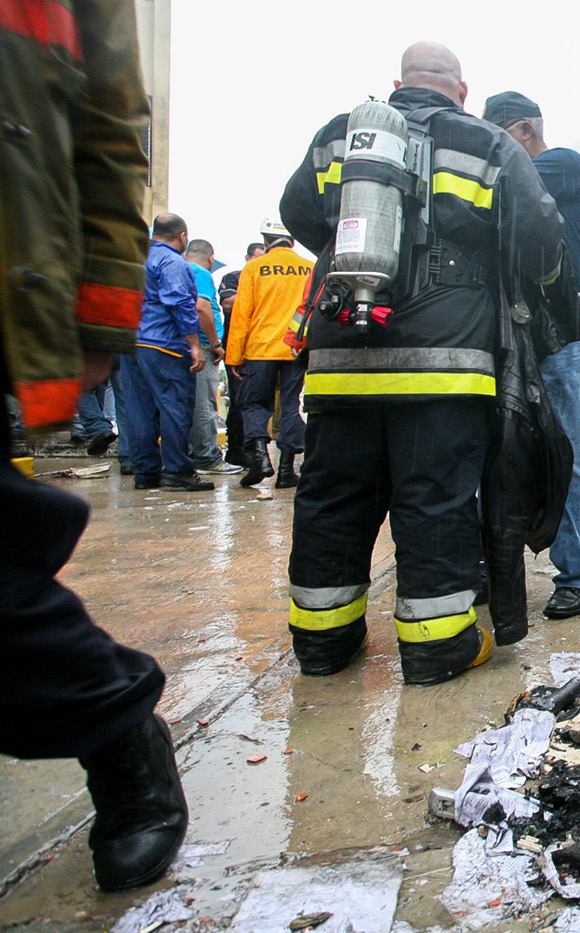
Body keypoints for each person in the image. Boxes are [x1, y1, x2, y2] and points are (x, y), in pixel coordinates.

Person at [279, 41, 564, 684]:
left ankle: (323, 644)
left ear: (398, 84)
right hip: (445, 366)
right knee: (434, 498)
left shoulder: (338, 139)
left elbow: (296, 211)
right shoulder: (488, 145)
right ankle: (437, 647)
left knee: (332, 498)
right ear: (461, 91)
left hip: (342, 358)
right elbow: (542, 237)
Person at [0, 0, 189, 892]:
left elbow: (112, 132)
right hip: (175, 351)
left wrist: (99, 311)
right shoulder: (183, 271)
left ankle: (114, 722)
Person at [485, 90, 580, 621]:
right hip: (519, 321)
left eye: (498, 139)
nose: (490, 151)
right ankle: (493, 569)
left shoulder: (561, 164)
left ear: (524, 131)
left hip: (570, 319)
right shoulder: (523, 164)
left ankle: (575, 575)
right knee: (504, 449)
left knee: (570, 452)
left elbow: (503, 190)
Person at [125, 214, 213, 491]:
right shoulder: (172, 261)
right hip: (163, 344)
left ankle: (146, 473)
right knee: (175, 408)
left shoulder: (134, 259)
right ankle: (177, 471)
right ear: (182, 236)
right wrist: (195, 345)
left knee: (139, 410)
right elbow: (180, 303)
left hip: (131, 343)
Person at [225, 221, 310, 488]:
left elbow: (241, 315)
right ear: (292, 241)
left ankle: (261, 459)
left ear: (265, 241)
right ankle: (286, 470)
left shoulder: (253, 269)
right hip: (296, 348)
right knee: (291, 404)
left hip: (259, 348)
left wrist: (234, 357)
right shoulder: (308, 268)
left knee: (254, 404)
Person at [184, 239, 242, 475]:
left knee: (187, 404)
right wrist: (215, 343)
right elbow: (201, 308)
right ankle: (207, 458)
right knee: (204, 405)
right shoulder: (199, 273)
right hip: (202, 345)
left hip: (182, 344)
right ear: (210, 259)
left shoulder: (176, 269)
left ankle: (189, 454)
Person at [218, 241, 267, 467]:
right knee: (239, 401)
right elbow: (228, 303)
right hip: (236, 348)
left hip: (264, 348)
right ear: (248, 259)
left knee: (258, 403)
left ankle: (255, 449)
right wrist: (261, 292)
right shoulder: (234, 277)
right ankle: (237, 449)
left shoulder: (266, 277)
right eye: (258, 258)